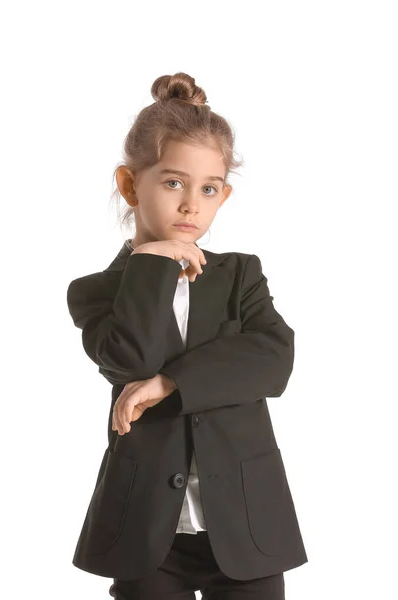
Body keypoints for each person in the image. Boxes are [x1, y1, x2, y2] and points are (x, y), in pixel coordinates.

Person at [67, 72, 308, 600]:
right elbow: (129, 359)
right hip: (148, 532)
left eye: (208, 189)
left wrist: (171, 384)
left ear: (223, 195)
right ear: (132, 185)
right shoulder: (93, 292)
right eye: (173, 182)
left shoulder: (241, 274)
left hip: (246, 525)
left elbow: (272, 358)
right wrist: (149, 263)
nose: (190, 205)